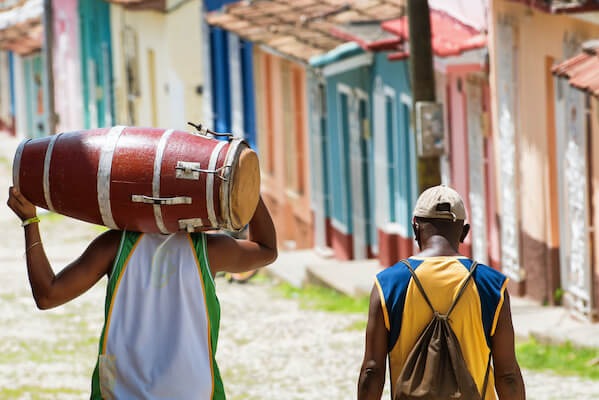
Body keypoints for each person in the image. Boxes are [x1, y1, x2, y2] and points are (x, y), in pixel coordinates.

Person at [7, 186, 277, 399]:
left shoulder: (113, 244)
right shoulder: (210, 250)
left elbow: (48, 295)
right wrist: (247, 185)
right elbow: (267, 250)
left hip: (119, 391)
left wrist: (30, 222)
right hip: (195, 391)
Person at [358, 185, 525, 400]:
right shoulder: (491, 285)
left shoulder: (388, 284)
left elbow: (372, 371)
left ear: (415, 228)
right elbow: (508, 374)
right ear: (464, 232)